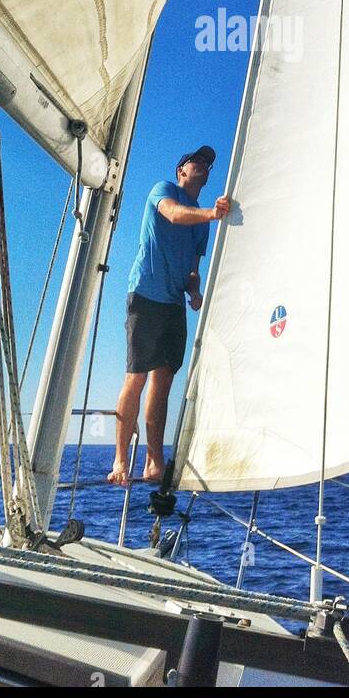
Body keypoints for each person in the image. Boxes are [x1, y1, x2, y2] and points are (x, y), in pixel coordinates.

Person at [107, 146, 230, 486]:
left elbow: (193, 269)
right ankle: (120, 459)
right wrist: (211, 214)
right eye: (197, 161)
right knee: (137, 377)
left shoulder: (203, 224)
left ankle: (154, 461)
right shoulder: (164, 190)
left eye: (208, 163)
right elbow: (174, 215)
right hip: (145, 295)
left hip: (173, 304)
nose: (203, 165)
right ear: (181, 171)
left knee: (162, 384)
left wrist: (194, 291)